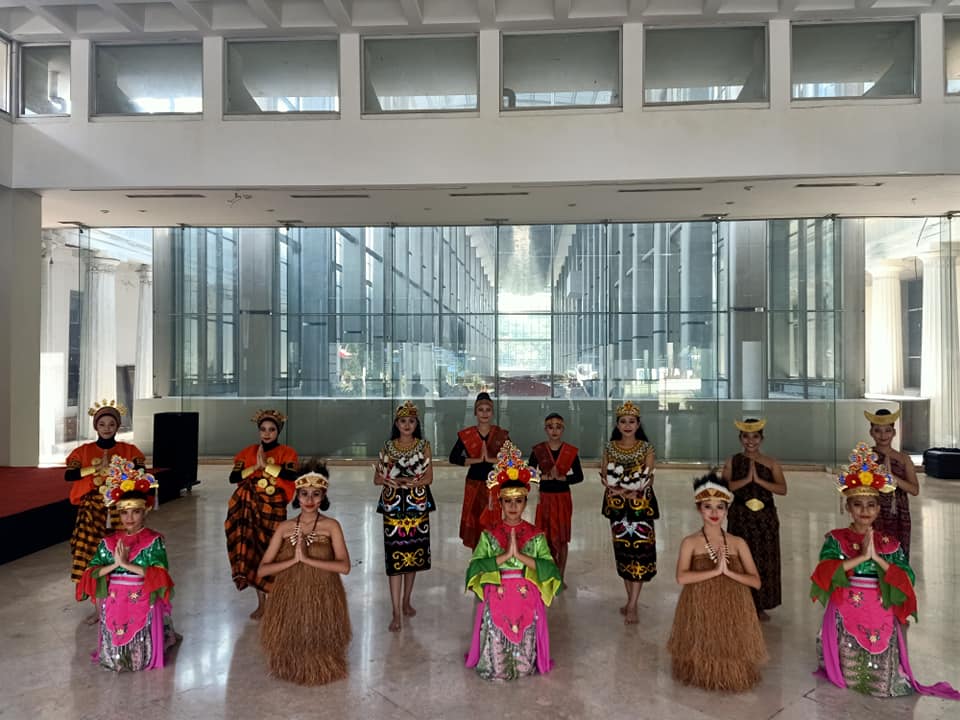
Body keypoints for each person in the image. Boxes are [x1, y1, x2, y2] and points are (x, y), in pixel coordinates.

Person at [811, 442, 960, 699]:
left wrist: (876, 559)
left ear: (879, 509)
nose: (865, 511)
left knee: (886, 681)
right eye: (858, 505)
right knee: (849, 671)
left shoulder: (889, 543)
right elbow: (825, 572)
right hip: (847, 603)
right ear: (848, 507)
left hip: (879, 606)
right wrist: (861, 558)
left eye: (871, 505)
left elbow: (906, 578)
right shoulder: (836, 539)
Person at [465, 441, 562, 681]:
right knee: (497, 664)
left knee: (524, 664)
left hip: (526, 591)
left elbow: (550, 569)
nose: (513, 506)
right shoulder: (489, 534)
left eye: (518, 500)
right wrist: (505, 557)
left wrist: (520, 557)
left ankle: (522, 661)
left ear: (525, 503)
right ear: (499, 503)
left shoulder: (535, 534)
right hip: (498, 590)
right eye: (508, 501)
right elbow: (475, 567)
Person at [76, 457, 178, 672]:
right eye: (124, 512)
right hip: (114, 599)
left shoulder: (154, 540)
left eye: (135, 511)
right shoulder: (109, 541)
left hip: (142, 597)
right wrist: (115, 565)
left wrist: (125, 564)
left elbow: (160, 575)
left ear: (145, 510)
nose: (129, 517)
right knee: (114, 648)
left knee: (139, 658)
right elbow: (91, 572)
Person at [667, 474, 767, 692]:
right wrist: (714, 571)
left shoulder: (738, 543)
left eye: (720, 507)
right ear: (698, 509)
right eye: (708, 507)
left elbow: (756, 582)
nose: (714, 513)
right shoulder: (690, 542)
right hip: (699, 603)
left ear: (727, 510)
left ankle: (727, 673)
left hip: (734, 605)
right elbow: (681, 577)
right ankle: (704, 671)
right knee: (704, 639)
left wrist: (729, 572)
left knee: (728, 642)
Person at [257, 461, 352, 685]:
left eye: (315, 494)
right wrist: (293, 559)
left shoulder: (331, 526)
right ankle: (292, 665)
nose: (309, 500)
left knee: (319, 638)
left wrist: (308, 559)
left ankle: (320, 665)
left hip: (323, 593)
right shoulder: (285, 528)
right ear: (297, 496)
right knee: (294, 638)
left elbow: (345, 567)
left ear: (323, 496)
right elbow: (263, 570)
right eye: (304, 494)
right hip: (290, 595)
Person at [66, 400, 146, 624]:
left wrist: (121, 470)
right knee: (93, 556)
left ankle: (124, 602)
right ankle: (98, 608)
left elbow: (141, 470)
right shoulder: (82, 451)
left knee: (125, 553)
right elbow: (69, 475)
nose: (107, 428)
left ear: (117, 426)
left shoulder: (130, 450)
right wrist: (94, 468)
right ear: (96, 426)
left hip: (122, 512)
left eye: (111, 424)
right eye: (102, 424)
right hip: (92, 510)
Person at [224, 409, 299, 620]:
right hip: (248, 507)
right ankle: (262, 603)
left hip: (273, 509)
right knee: (254, 552)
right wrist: (256, 466)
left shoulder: (287, 453)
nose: (267, 433)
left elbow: (291, 474)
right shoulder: (247, 452)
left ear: (278, 431)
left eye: (271, 429)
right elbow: (233, 478)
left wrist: (267, 466)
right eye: (263, 429)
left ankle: (277, 601)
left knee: (273, 551)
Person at [374, 400, 435, 632]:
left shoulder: (424, 446)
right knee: (395, 558)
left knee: (413, 556)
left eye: (411, 421)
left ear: (416, 424)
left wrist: (410, 483)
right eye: (402, 421)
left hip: (416, 506)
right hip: (392, 507)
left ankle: (406, 600)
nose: (407, 425)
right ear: (396, 424)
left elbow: (429, 478)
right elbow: (377, 478)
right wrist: (390, 481)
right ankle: (395, 611)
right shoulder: (388, 447)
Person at [721, 418, 786, 621]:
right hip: (741, 516)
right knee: (740, 559)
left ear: (761, 438)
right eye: (746, 437)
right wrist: (746, 480)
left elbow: (782, 489)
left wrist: (759, 481)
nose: (751, 441)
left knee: (764, 560)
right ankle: (740, 602)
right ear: (740, 438)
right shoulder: (732, 461)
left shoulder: (771, 462)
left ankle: (760, 605)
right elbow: (724, 487)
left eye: (755, 437)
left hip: (765, 519)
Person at [600, 401, 657, 625]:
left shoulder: (646, 448)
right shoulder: (609, 447)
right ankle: (630, 600)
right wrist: (622, 491)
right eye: (623, 421)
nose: (627, 425)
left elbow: (649, 476)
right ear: (617, 424)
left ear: (638, 424)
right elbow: (605, 476)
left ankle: (633, 604)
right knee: (624, 552)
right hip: (617, 506)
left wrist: (632, 491)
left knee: (640, 553)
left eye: (631, 421)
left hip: (641, 506)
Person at [449, 392, 510, 549]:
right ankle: (476, 559)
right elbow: (453, 458)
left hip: (494, 484)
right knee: (475, 521)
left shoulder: (501, 435)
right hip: (474, 483)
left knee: (492, 521)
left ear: (492, 412)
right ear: (475, 412)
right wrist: (477, 460)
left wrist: (490, 459)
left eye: (488, 410)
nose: (484, 413)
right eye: (481, 410)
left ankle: (492, 559)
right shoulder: (467, 435)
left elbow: (511, 459)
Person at [528, 412, 583, 579]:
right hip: (545, 498)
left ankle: (560, 575)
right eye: (550, 427)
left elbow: (579, 476)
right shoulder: (538, 450)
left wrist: (563, 478)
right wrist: (543, 477)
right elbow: (528, 473)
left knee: (562, 537)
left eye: (558, 427)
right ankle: (547, 574)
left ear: (563, 429)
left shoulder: (570, 451)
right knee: (544, 536)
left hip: (562, 498)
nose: (554, 431)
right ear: (545, 429)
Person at [865, 408, 920, 559]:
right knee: (872, 554)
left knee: (896, 555)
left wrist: (893, 479)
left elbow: (914, 490)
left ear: (894, 432)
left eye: (887, 431)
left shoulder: (903, 459)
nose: (883, 435)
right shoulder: (866, 457)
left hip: (898, 514)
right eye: (878, 431)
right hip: (872, 512)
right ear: (871, 433)